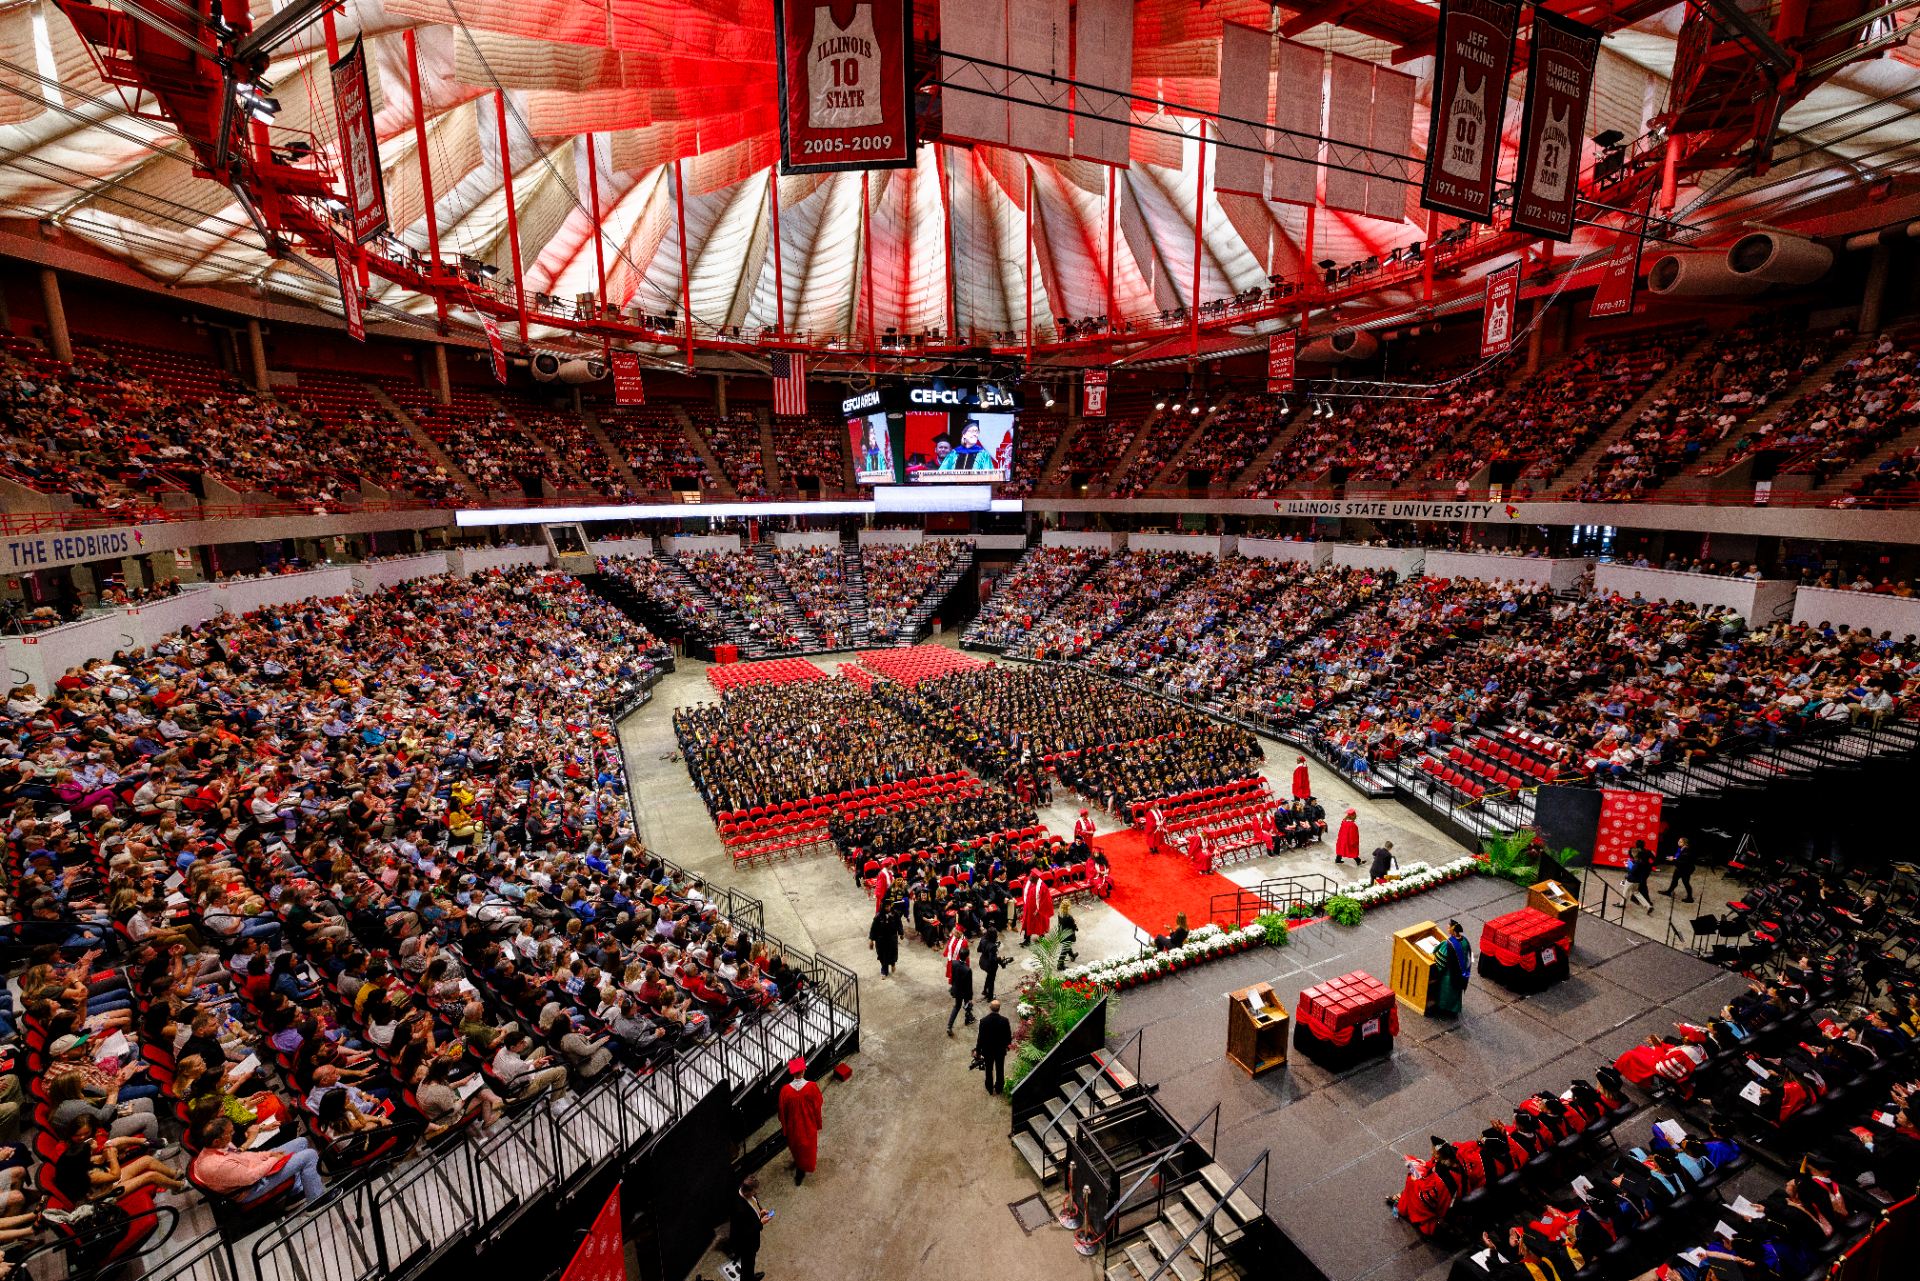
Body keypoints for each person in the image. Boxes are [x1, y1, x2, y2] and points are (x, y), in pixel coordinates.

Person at [189, 1116, 327, 1205]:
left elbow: (244, 1155)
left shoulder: (219, 1145)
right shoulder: (218, 1164)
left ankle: (295, 1191)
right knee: (310, 1155)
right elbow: (251, 1178)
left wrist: (267, 1154)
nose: (233, 1134)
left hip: (253, 1170)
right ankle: (316, 1201)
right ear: (216, 1140)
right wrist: (272, 1160)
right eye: (229, 1133)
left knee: (301, 1142)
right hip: (250, 1188)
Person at [776, 1057, 823, 1186]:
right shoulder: (812, 1087)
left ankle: (799, 1166)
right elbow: (818, 1105)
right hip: (808, 1125)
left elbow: (781, 1113)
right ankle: (801, 1171)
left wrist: (785, 1126)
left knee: (796, 1147)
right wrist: (817, 1122)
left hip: (793, 1127)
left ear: (792, 1073)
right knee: (808, 1148)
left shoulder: (784, 1091)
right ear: (803, 1071)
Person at [729, 1175, 771, 1281]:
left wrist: (760, 1211)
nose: (755, 1194)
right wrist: (761, 1223)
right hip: (745, 1243)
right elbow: (745, 1232)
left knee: (750, 1263)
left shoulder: (746, 1192)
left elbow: (753, 1204)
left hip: (749, 1238)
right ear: (747, 1192)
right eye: (754, 1192)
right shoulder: (740, 1209)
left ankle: (750, 1277)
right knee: (748, 1264)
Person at [1430, 920, 1471, 1017]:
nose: (1447, 928)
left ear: (1453, 930)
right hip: (1461, 973)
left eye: (1448, 927)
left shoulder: (1448, 944)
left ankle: (1444, 1012)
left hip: (1449, 974)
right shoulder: (1465, 941)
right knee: (1456, 993)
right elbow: (1468, 957)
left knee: (1446, 993)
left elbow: (1440, 958)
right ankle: (1454, 1010)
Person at [975, 999, 1012, 1096]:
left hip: (988, 1051)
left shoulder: (983, 1021)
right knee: (1000, 1069)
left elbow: (981, 1038)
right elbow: (1008, 1036)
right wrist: (1007, 1046)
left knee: (988, 1069)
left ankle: (989, 1087)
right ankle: (999, 1088)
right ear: (999, 1009)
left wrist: (978, 1051)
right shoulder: (1005, 1021)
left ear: (990, 1008)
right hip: (1000, 1051)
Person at [946, 943, 975, 1035]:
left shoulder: (954, 963)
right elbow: (969, 985)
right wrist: (970, 997)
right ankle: (968, 1019)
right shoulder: (967, 970)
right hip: (965, 992)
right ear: (967, 956)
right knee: (967, 1005)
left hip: (957, 990)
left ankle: (949, 1026)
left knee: (956, 1007)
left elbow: (953, 976)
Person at [1019, 873, 1054, 945]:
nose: (1030, 879)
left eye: (1032, 878)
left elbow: (1045, 900)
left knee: (1039, 925)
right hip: (1029, 908)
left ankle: (1042, 939)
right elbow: (1025, 893)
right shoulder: (1029, 882)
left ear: (1036, 878)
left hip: (1037, 910)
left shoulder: (1042, 886)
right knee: (1028, 924)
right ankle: (1027, 940)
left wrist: (1038, 910)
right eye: (1030, 877)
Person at [867, 907, 900, 978]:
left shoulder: (895, 914)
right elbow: (873, 928)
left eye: (889, 906)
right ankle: (884, 969)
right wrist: (871, 940)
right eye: (886, 906)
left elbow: (899, 924)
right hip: (881, 939)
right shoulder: (878, 916)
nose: (888, 908)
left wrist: (901, 933)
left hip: (891, 938)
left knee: (892, 953)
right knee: (882, 954)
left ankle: (892, 964)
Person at [1661, 836, 1696, 903]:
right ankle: (1668, 892)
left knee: (1686, 883)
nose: (1678, 842)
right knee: (1674, 880)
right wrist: (1673, 858)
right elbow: (1678, 858)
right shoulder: (1681, 849)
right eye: (1678, 841)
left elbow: (1682, 862)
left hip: (1685, 870)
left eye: (1680, 842)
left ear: (1685, 843)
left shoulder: (1686, 851)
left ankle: (1690, 898)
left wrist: (1673, 860)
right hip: (1679, 868)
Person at [1624, 845, 1655, 913]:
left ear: (1635, 854)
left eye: (1632, 853)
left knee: (1625, 892)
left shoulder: (1637, 863)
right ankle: (1648, 906)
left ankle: (1622, 904)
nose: (1631, 854)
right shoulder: (1641, 862)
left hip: (1631, 880)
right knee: (1636, 893)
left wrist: (1627, 866)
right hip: (1638, 881)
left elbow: (1632, 872)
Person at [978, 926, 1002, 1001]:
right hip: (990, 965)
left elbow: (978, 949)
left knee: (989, 976)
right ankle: (990, 996)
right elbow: (992, 959)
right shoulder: (993, 946)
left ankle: (985, 991)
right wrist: (999, 958)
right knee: (991, 980)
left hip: (982, 962)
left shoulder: (982, 939)